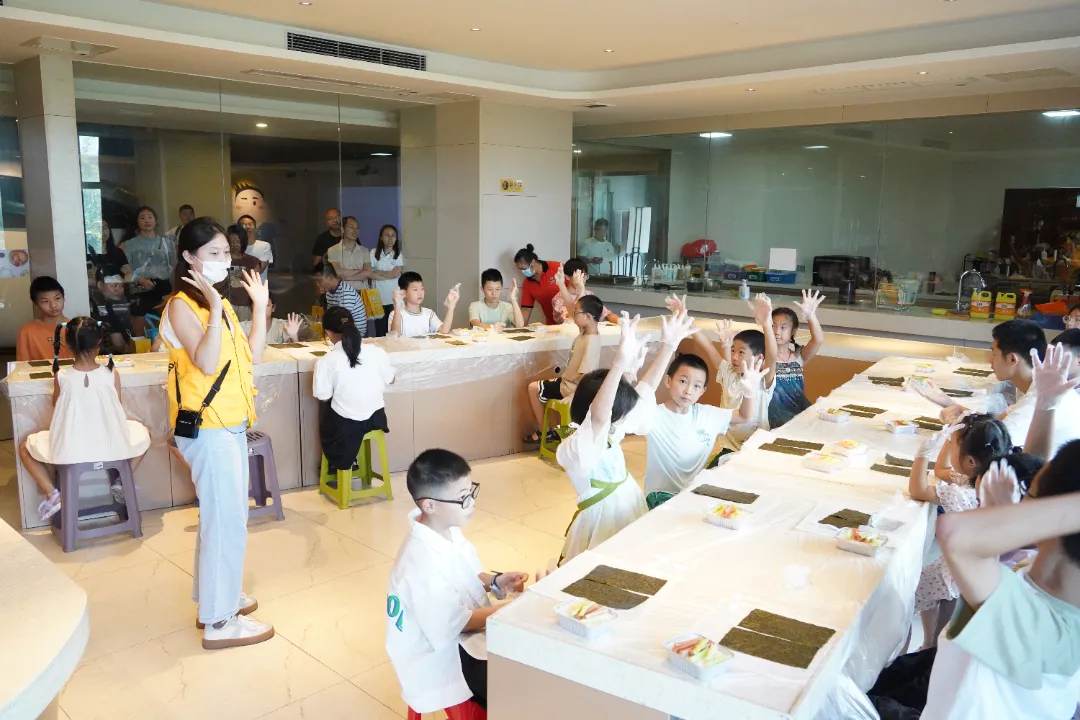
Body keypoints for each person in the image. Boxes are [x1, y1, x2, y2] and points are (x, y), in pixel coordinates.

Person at [160, 216, 274, 650]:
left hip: (230, 423)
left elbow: (253, 355)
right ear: (189, 257)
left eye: (226, 252)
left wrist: (259, 308)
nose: (224, 260)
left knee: (226, 517)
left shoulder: (218, 303)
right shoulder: (181, 306)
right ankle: (220, 621)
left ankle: (215, 599)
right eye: (213, 253)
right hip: (208, 428)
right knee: (225, 521)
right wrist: (210, 305)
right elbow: (206, 362)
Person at [918, 440, 1080, 719]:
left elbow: (959, 536)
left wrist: (998, 518)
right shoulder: (1037, 578)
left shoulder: (1044, 631)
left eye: (1026, 495)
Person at [385, 448, 529, 713]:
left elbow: (466, 575)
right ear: (430, 505)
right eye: (463, 498)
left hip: (461, 637)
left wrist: (496, 581)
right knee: (524, 686)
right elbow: (456, 623)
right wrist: (511, 610)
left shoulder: (444, 528)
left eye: (471, 492)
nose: (471, 504)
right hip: (442, 660)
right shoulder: (419, 564)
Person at [18, 317, 151, 521]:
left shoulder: (62, 376)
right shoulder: (111, 374)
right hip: (112, 447)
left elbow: (55, 404)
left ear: (68, 345)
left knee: (25, 448)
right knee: (145, 434)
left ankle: (52, 494)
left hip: (70, 450)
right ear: (100, 342)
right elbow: (117, 404)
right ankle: (122, 481)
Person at [556, 313, 661, 563]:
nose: (625, 419)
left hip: (628, 504)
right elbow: (599, 417)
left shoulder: (613, 431)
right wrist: (619, 365)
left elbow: (645, 391)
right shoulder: (575, 447)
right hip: (602, 521)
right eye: (619, 415)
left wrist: (669, 346)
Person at [907, 415, 1015, 650]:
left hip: (954, 576)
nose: (951, 448)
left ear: (970, 461)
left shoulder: (962, 494)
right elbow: (942, 470)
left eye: (954, 447)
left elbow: (918, 490)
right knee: (925, 597)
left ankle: (927, 651)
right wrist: (951, 437)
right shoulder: (980, 479)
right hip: (966, 569)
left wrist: (922, 454)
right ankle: (928, 645)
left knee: (907, 602)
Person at [643, 342, 767, 509]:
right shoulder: (653, 415)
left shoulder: (707, 414)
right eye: (683, 381)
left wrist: (750, 392)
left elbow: (744, 416)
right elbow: (637, 403)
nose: (688, 391)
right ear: (668, 381)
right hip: (660, 495)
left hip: (696, 494)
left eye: (696, 386)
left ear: (702, 391)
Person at [914, 319, 1052, 448]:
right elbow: (994, 423)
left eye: (994, 353)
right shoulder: (1038, 387)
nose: (989, 360)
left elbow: (990, 447)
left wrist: (955, 425)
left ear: (1012, 359)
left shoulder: (1033, 403)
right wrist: (949, 403)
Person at [688, 294, 778, 452]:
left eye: (741, 352)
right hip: (728, 447)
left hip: (756, 449)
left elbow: (772, 356)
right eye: (733, 350)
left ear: (759, 358)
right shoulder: (729, 373)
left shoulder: (762, 379)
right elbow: (708, 347)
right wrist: (686, 321)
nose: (735, 357)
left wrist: (766, 324)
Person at [313, 306, 395, 473]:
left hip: (347, 427)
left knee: (326, 405)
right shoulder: (377, 352)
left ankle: (339, 461)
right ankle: (352, 455)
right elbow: (391, 379)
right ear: (354, 325)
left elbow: (323, 396)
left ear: (327, 333)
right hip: (377, 419)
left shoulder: (327, 361)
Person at [524, 294, 603, 445]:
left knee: (533, 388)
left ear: (587, 316)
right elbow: (570, 306)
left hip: (570, 388)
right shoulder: (587, 330)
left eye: (576, 312)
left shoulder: (591, 341)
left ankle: (544, 432)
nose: (572, 314)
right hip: (568, 382)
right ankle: (549, 431)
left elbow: (586, 376)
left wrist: (574, 396)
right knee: (541, 386)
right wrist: (561, 284)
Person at [768, 289, 826, 428]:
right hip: (774, 419)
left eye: (783, 327)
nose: (776, 332)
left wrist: (810, 315)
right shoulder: (763, 356)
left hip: (800, 414)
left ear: (793, 331)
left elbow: (818, 340)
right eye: (773, 326)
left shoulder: (798, 356)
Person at [125, 206, 176, 317]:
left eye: (150, 217)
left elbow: (175, 267)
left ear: (155, 220)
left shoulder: (167, 243)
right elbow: (126, 268)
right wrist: (140, 279)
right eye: (142, 218)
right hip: (140, 288)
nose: (147, 220)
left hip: (164, 287)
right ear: (137, 222)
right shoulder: (129, 244)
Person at [18, 276, 73, 362]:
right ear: (36, 304)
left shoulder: (76, 327)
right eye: (45, 301)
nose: (53, 305)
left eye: (57, 298)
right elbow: (22, 365)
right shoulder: (26, 331)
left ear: (64, 298)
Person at [388, 272, 457, 338]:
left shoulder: (429, 313)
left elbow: (444, 330)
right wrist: (397, 306)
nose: (420, 293)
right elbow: (395, 335)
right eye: (415, 290)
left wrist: (451, 306)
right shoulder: (395, 314)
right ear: (404, 293)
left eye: (422, 289)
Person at [551, 258, 620, 325]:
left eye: (585, 275)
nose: (583, 278)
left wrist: (620, 321)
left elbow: (606, 313)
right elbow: (573, 319)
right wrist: (580, 289)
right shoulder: (558, 299)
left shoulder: (589, 294)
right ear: (567, 277)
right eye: (579, 275)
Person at [89, 266, 136, 355]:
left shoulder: (122, 302)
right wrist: (126, 349)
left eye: (121, 285)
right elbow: (118, 343)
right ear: (100, 285)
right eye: (113, 285)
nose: (118, 289)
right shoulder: (102, 306)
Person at [312, 262, 367, 333]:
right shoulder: (329, 292)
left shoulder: (346, 293)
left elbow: (344, 321)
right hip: (339, 328)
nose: (317, 284)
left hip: (353, 334)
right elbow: (330, 315)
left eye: (319, 281)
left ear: (330, 278)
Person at [514, 244, 563, 325]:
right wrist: (519, 327)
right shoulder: (527, 283)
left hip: (570, 322)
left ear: (533, 262)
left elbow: (575, 288)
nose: (523, 272)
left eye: (524, 269)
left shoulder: (556, 267)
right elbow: (526, 309)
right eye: (520, 270)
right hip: (551, 324)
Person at [370, 223, 404, 336]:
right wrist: (388, 274)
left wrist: (377, 271)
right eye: (387, 235)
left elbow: (395, 274)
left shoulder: (398, 254)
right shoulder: (373, 253)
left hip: (393, 299)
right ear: (381, 237)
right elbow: (369, 274)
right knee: (380, 332)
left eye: (393, 235)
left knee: (394, 331)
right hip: (378, 298)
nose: (390, 238)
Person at [326, 216, 373, 293]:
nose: (355, 231)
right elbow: (338, 272)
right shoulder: (333, 250)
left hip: (362, 292)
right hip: (342, 293)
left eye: (357, 228)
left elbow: (368, 273)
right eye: (351, 227)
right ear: (342, 229)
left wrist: (345, 277)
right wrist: (361, 272)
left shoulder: (364, 251)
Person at [225, 224, 263, 311]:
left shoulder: (252, 261)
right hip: (225, 304)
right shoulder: (221, 261)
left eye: (238, 242)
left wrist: (244, 277)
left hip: (245, 305)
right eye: (232, 242)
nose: (235, 245)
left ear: (243, 242)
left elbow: (256, 285)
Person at [238, 214, 273, 282]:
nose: (247, 227)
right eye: (243, 225)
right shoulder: (235, 247)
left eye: (250, 224)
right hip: (238, 287)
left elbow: (257, 271)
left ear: (255, 228)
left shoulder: (264, 246)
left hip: (257, 287)